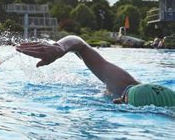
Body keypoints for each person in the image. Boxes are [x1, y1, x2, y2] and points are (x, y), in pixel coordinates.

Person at [15, 35, 175, 107]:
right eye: (125, 95)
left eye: (124, 100)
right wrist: (60, 47)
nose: (117, 100)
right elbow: (79, 44)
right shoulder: (122, 83)